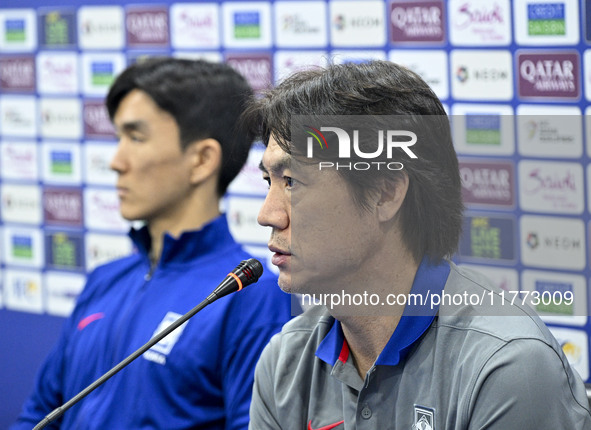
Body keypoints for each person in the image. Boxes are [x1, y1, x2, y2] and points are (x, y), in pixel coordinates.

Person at [245, 60, 591, 429]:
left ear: (386, 192)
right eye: (269, 180)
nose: (267, 215)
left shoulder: (505, 366)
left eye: (293, 181)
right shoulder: (285, 361)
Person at [12, 58, 293, 429]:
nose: (116, 161)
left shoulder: (248, 295)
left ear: (202, 159)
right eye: (118, 138)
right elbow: (38, 415)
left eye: (136, 137)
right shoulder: (105, 279)